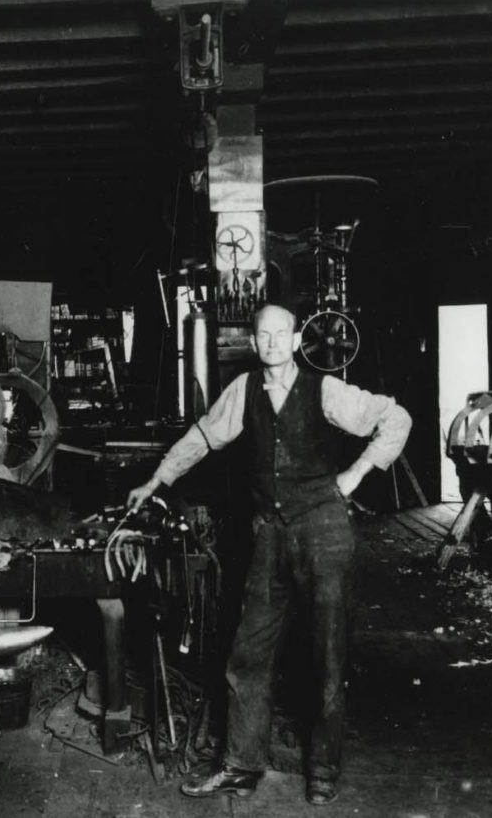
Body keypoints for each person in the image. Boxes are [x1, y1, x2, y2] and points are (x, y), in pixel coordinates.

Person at [127, 303, 411, 806]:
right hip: (269, 536)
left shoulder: (326, 390)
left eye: (282, 334)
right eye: (264, 335)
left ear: (297, 338)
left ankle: (322, 771)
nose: (273, 343)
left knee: (326, 654)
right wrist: (158, 478)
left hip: (324, 531)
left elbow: (395, 418)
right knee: (247, 655)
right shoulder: (243, 391)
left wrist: (357, 473)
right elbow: (203, 436)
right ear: (253, 343)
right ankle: (241, 764)